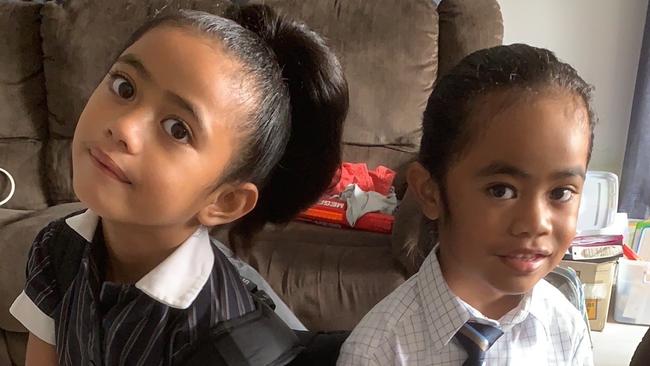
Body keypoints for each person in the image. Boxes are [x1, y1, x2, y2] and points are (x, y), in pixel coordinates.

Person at [9, 4, 348, 365]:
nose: (124, 127)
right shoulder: (57, 247)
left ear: (226, 200)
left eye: (177, 129)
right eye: (125, 87)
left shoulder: (227, 342)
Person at [337, 43, 595, 365]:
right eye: (501, 190)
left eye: (560, 193)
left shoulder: (566, 330)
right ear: (431, 193)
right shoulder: (377, 352)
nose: (535, 223)